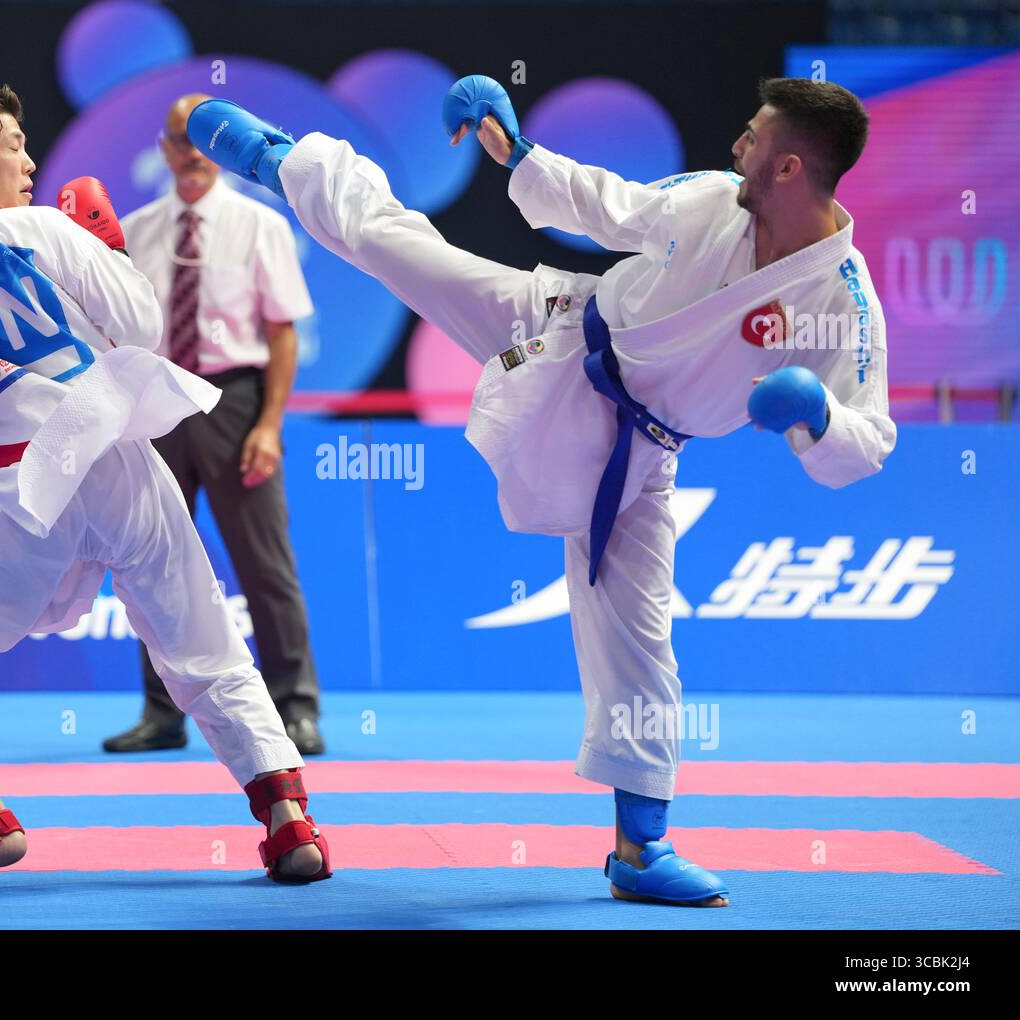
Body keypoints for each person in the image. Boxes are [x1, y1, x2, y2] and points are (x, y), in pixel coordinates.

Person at [185, 74, 895, 906]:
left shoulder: (842, 304)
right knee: (404, 250)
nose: (738, 144)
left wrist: (817, 418)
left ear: (789, 167)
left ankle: (642, 846)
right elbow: (610, 205)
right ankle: (285, 159)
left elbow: (867, 443)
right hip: (558, 324)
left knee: (640, 638)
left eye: (755, 134)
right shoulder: (711, 199)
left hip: (637, 454)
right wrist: (516, 153)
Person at [0, 83, 332, 888]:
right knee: (204, 646)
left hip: (24, 485)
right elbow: (143, 328)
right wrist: (108, 250)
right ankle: (288, 820)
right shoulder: (42, 228)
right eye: (13, 141)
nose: (30, 158)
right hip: (117, 459)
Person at [103, 93, 325, 756]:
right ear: (165, 150)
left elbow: (282, 335)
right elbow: (118, 333)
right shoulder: (135, 230)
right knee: (152, 564)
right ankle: (161, 714)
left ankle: (297, 708)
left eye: (206, 141)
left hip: (234, 399)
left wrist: (268, 425)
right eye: (180, 140)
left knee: (265, 564)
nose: (194, 154)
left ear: (220, 150)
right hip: (156, 396)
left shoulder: (262, 225)